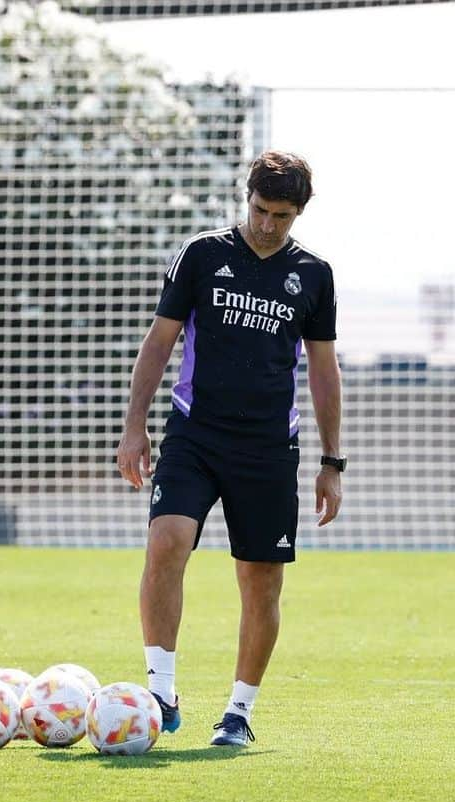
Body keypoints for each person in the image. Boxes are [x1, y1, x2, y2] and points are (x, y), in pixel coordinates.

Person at [115, 151, 344, 746]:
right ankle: (161, 689)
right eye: (261, 210)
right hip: (195, 433)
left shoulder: (314, 276)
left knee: (261, 579)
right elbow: (159, 342)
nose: (269, 224)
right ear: (247, 199)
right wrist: (134, 426)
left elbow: (323, 371)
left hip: (269, 447)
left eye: (283, 215)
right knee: (166, 541)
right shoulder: (202, 254)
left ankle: (239, 712)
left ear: (299, 213)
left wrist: (332, 462)